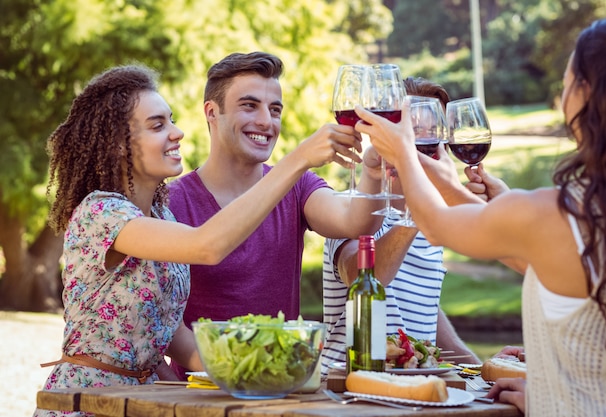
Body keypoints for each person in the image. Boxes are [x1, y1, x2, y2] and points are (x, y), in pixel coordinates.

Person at [35, 63, 373, 416]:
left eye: (172, 120)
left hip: (145, 401)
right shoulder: (101, 213)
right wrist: (299, 159)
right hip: (89, 402)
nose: (177, 132)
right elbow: (208, 246)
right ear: (118, 145)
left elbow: (175, 336)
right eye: (157, 125)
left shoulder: (161, 215)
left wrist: (258, 375)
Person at [355, 12, 606, 415]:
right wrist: (548, 395)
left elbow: (438, 224)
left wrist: (402, 154)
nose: (560, 95)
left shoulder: (548, 213)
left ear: (587, 95)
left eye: (566, 82)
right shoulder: (599, 212)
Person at [167, 52, 384, 379]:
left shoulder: (298, 187)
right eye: (249, 106)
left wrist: (373, 169)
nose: (266, 122)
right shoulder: (172, 202)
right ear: (212, 113)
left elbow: (357, 221)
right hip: (197, 395)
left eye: (275, 109)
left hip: (280, 390)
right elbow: (155, 324)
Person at [320, 77, 481, 379]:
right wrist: (420, 213)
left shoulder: (431, 220)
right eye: (407, 131)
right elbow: (364, 277)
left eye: (429, 133)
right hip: (346, 390)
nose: (417, 143)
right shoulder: (350, 210)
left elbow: (420, 311)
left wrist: (482, 368)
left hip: (412, 388)